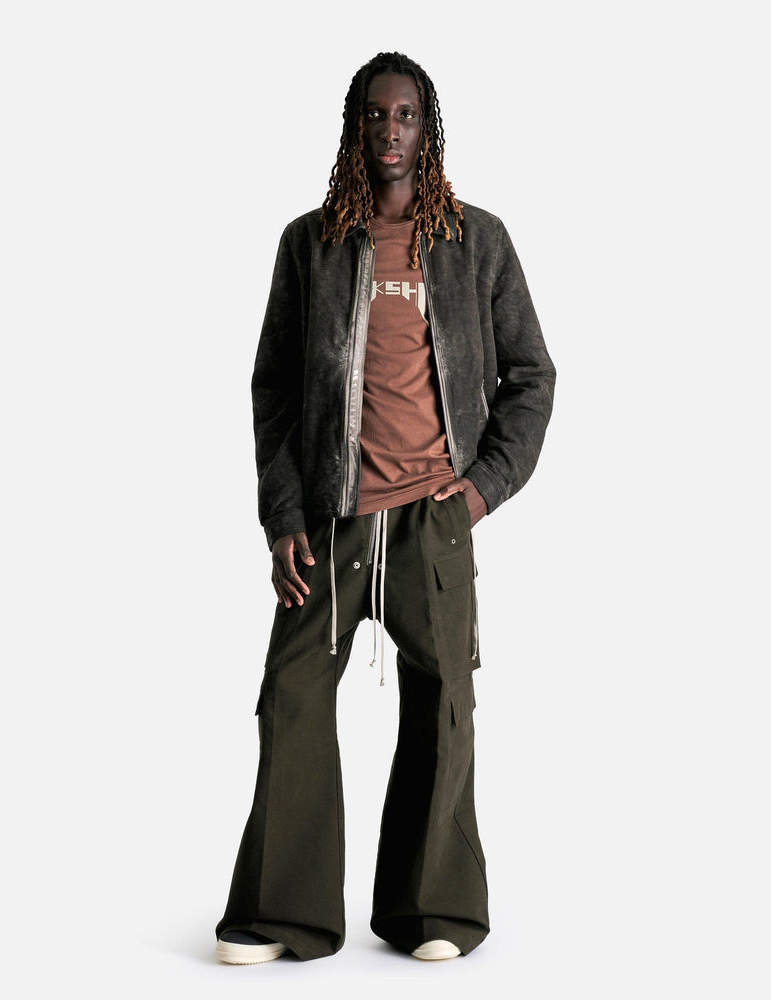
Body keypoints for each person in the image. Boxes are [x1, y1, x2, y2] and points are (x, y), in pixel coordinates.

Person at [215, 51, 556, 965]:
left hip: (431, 521)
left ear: (427, 129)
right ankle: (282, 912)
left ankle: (431, 909)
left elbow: (532, 375)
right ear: (354, 127)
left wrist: (481, 489)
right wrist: (283, 514)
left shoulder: (478, 242)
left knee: (443, 705)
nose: (390, 131)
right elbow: (273, 389)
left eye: (405, 115)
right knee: (291, 696)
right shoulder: (311, 243)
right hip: (328, 520)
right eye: (375, 115)